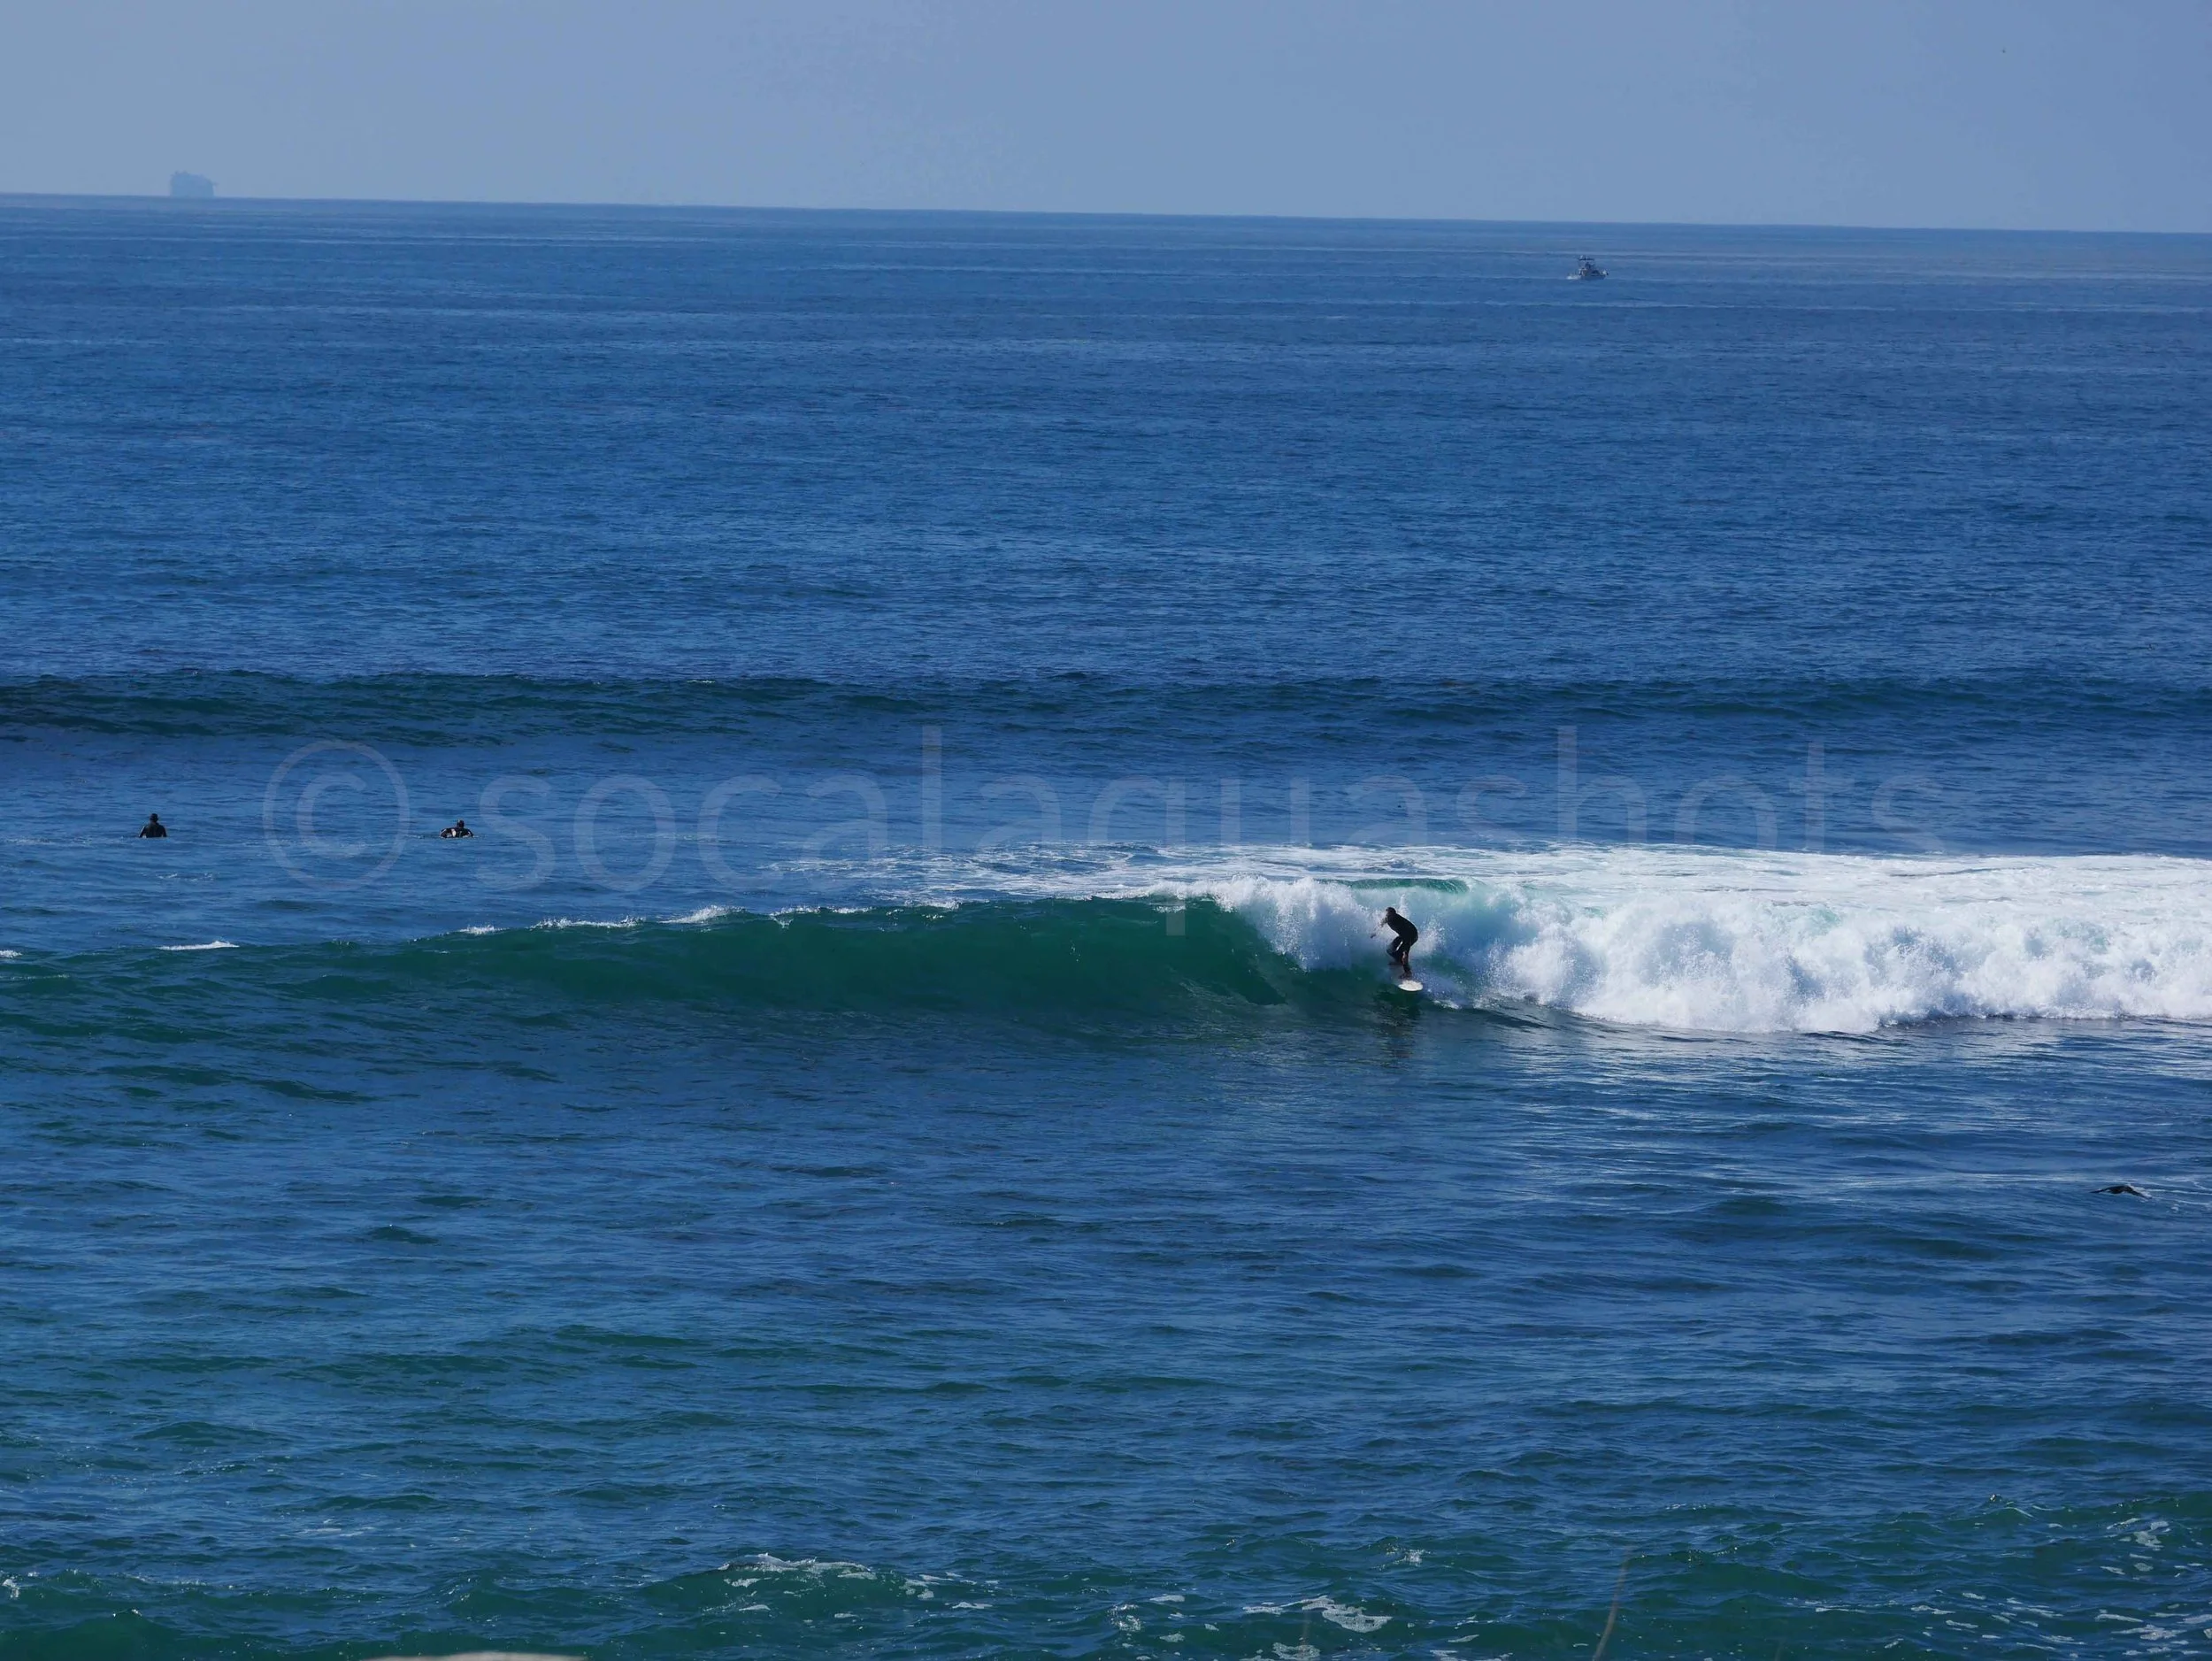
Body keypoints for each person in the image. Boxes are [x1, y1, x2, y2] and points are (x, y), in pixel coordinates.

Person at [1381, 905, 1417, 977]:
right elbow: (1381, 924)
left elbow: (1407, 941)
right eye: (1387, 915)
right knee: (1389, 949)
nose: (1388, 917)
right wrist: (1374, 933)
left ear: (1395, 915)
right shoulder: (1387, 919)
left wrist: (1405, 953)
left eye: (1390, 915)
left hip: (1411, 936)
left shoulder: (1401, 922)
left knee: (1404, 954)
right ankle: (1399, 961)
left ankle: (1408, 972)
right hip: (1402, 935)